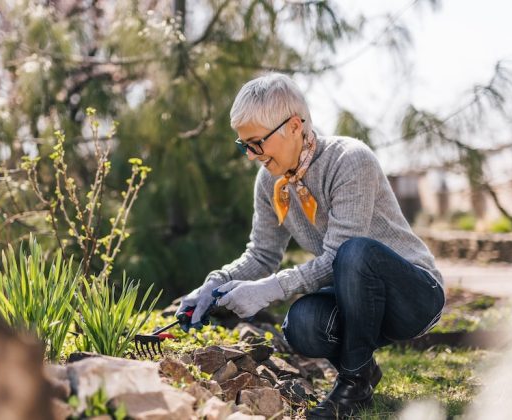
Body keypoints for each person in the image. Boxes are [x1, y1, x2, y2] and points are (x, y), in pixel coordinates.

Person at [175, 73, 445, 419]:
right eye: (244, 145)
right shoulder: (269, 181)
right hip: (358, 300)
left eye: (257, 143)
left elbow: (339, 256)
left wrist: (269, 289)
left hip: (414, 297)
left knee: (355, 252)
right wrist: (214, 284)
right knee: (300, 324)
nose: (251, 156)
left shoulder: (350, 160)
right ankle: (361, 373)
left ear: (294, 126)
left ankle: (351, 385)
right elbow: (261, 254)